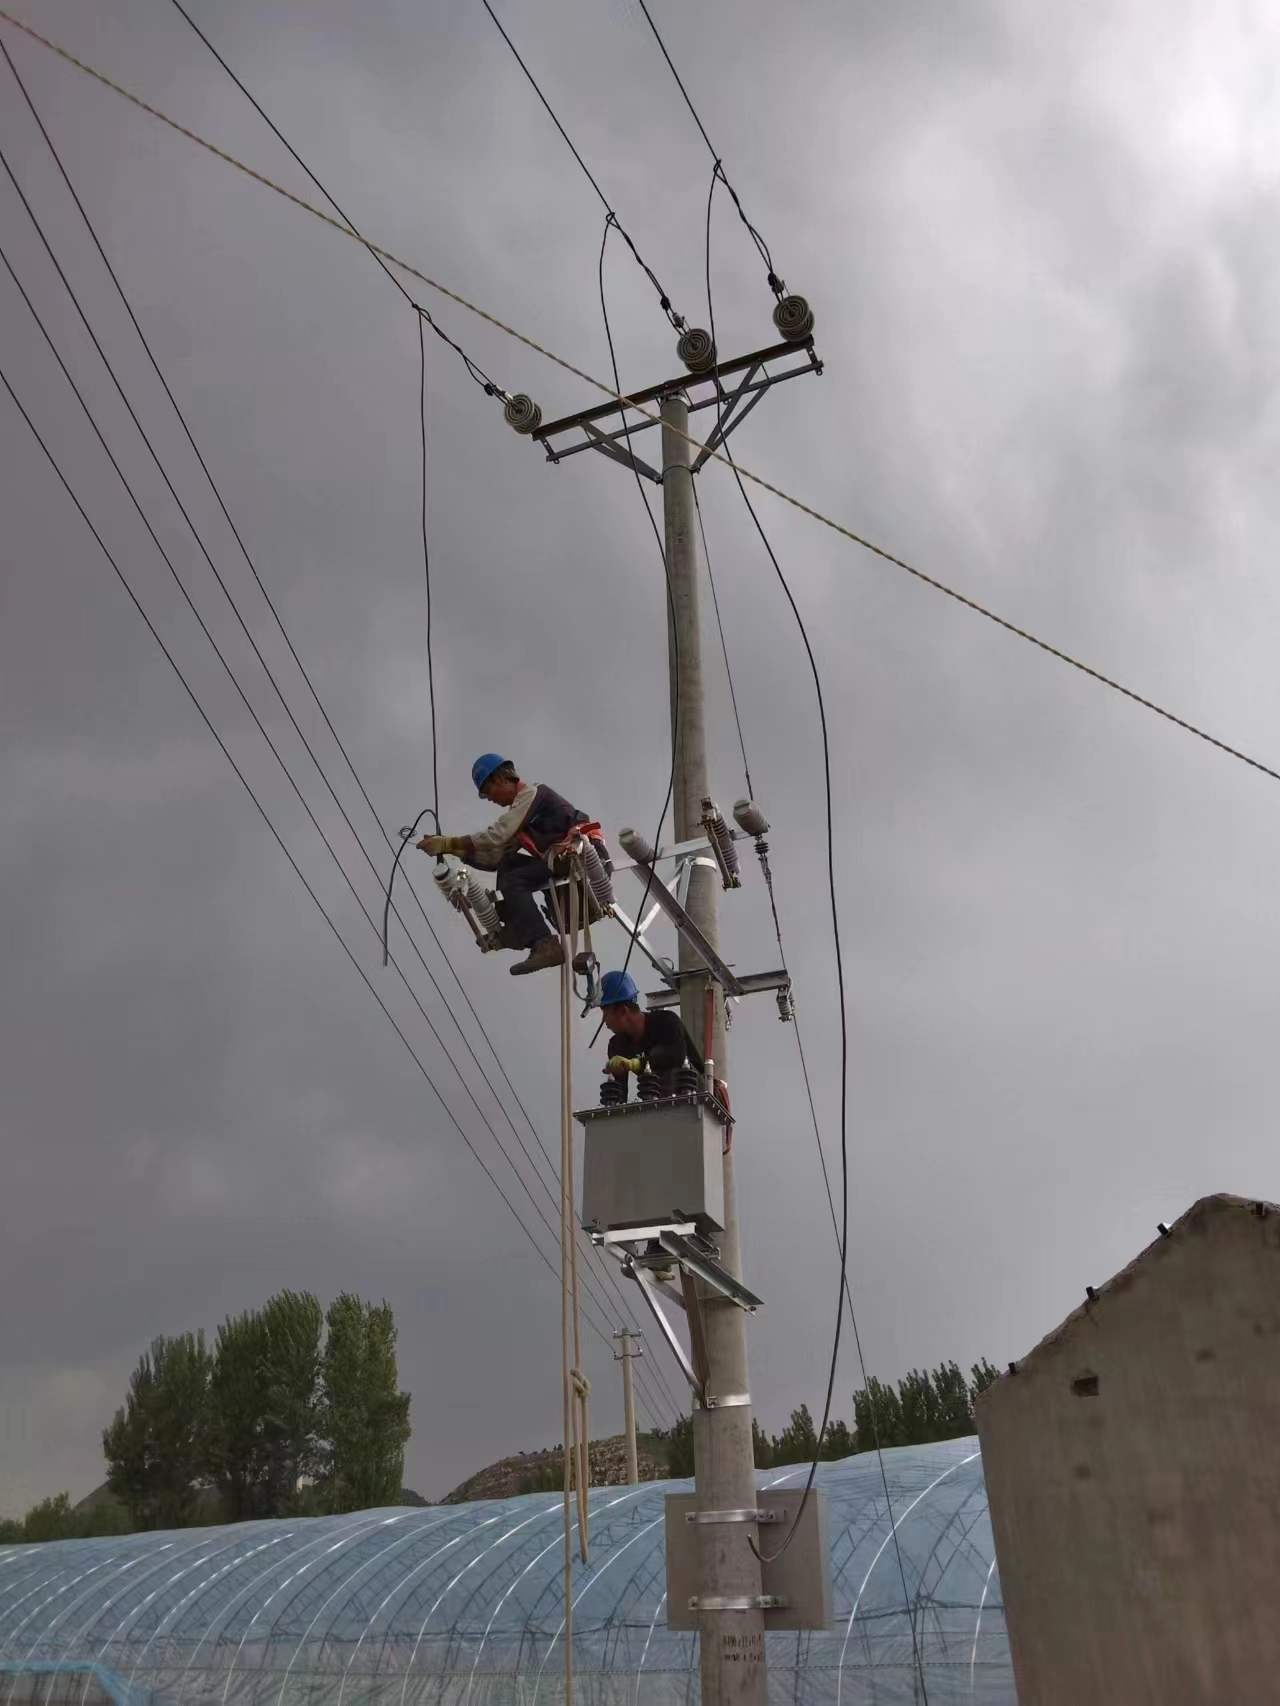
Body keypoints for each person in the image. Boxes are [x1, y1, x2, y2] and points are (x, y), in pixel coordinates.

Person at [417, 754, 604, 976]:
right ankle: (518, 929)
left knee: (515, 879)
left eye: (487, 792)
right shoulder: (520, 816)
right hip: (561, 862)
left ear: (499, 779)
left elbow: (497, 834)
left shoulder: (533, 794)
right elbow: (495, 858)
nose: (489, 799)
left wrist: (448, 842)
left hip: (583, 856)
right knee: (508, 864)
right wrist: (454, 850)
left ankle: (546, 944)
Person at [597, 969, 730, 1109]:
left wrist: (635, 1064)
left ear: (623, 1011)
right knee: (650, 1085)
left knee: (667, 1072)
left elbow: (675, 1056)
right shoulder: (617, 1045)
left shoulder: (665, 1022)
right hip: (658, 1107)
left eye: (605, 1012)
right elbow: (619, 1096)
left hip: (695, 1097)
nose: (604, 1020)